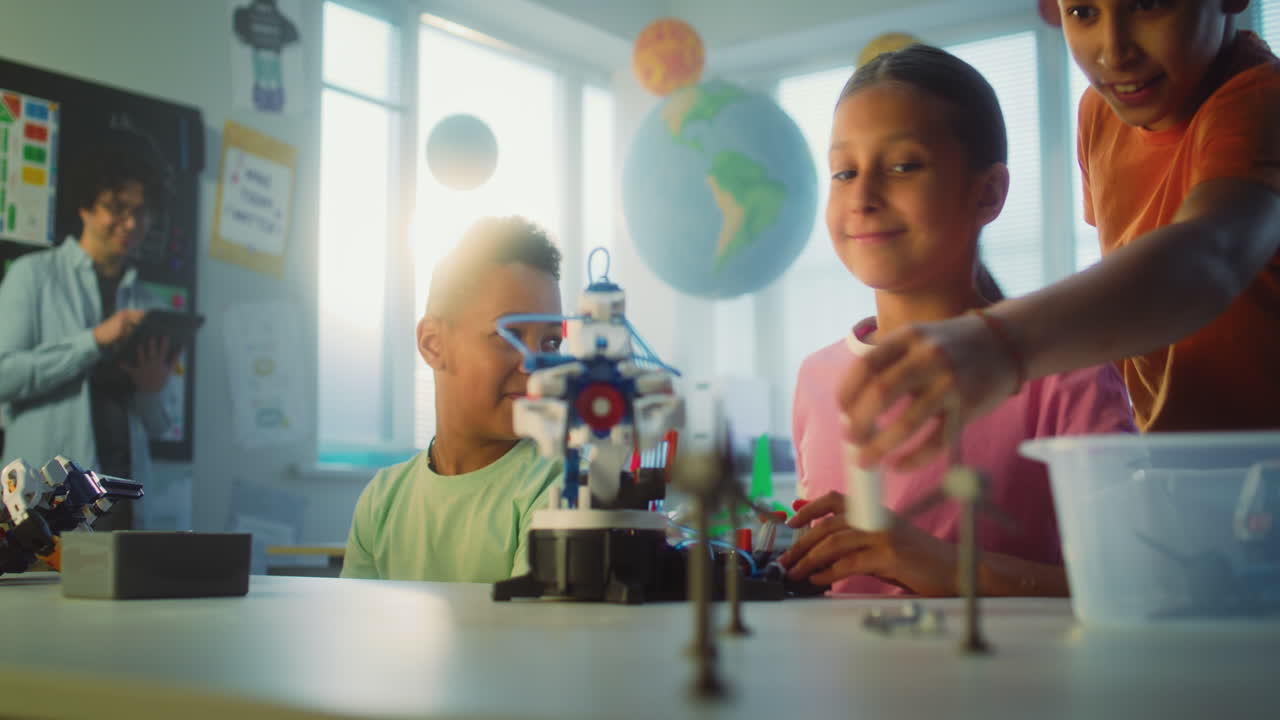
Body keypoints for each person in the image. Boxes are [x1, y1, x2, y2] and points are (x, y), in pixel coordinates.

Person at [837, 0, 1280, 473]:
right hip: (1184, 477)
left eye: (1150, 5)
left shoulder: (1264, 100)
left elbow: (1210, 257)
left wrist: (1001, 342)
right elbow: (1130, 287)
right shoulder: (1102, 112)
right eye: (1084, 12)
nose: (1114, 51)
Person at [779, 45, 1136, 597]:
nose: (863, 197)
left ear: (988, 192)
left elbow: (1134, 584)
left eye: (903, 166)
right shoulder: (816, 378)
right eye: (844, 171)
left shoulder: (1064, 374)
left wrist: (937, 563)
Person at [341, 217, 565, 581]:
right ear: (433, 342)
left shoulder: (563, 486)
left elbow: (531, 635)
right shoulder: (382, 501)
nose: (536, 364)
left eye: (551, 342)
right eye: (508, 335)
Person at [0, 146, 173, 530]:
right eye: (116, 208)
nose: (131, 224)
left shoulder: (146, 302)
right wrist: (92, 341)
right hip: (42, 512)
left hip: (123, 507)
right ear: (85, 207)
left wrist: (151, 389)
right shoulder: (33, 276)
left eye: (141, 211)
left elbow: (162, 425)